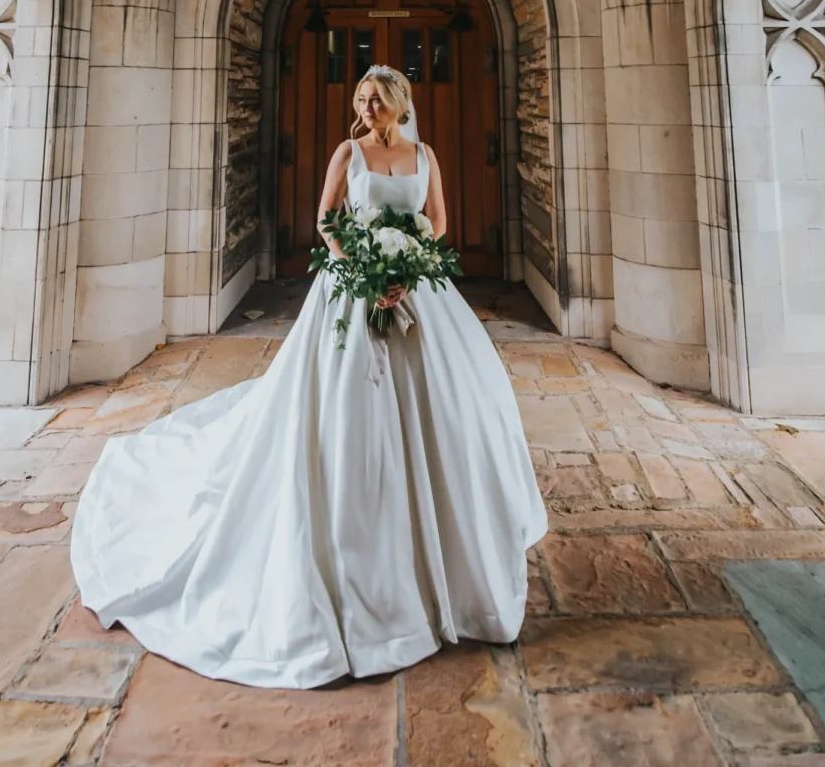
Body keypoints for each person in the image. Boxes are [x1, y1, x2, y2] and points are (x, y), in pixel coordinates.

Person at [70, 64, 547, 689]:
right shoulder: (346, 153)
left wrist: (411, 266)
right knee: (343, 420)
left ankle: (449, 569)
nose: (367, 104)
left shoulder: (424, 153)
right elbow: (326, 223)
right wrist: (364, 272)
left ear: (400, 102)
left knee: (452, 413)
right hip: (352, 291)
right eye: (362, 97)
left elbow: (440, 220)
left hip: (417, 293)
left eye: (377, 98)